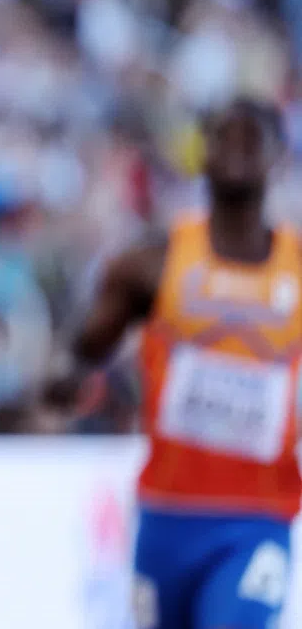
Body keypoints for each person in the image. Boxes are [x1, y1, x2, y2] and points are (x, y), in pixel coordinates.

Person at [62, 97, 299, 629]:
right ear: (201, 154)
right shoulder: (154, 261)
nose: (236, 146)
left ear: (278, 155)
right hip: (167, 517)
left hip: (259, 518)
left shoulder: (298, 271)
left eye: (251, 136)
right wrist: (68, 378)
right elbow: (85, 348)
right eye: (224, 135)